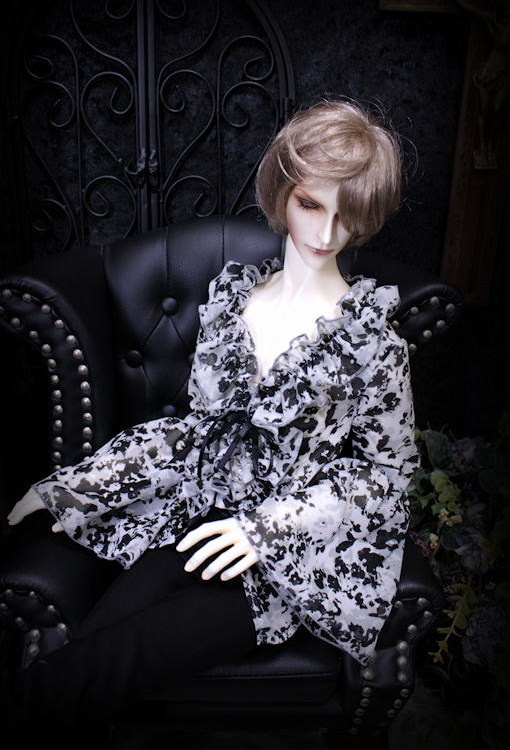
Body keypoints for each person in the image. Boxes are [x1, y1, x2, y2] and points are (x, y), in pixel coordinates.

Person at [7, 99, 419, 720]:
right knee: (94, 646)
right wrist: (76, 487)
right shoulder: (233, 304)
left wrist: (270, 528)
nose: (325, 235)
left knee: (100, 666)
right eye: (311, 204)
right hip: (200, 517)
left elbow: (386, 472)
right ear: (283, 191)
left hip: (287, 558)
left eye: (348, 216)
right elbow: (196, 435)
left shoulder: (371, 340)